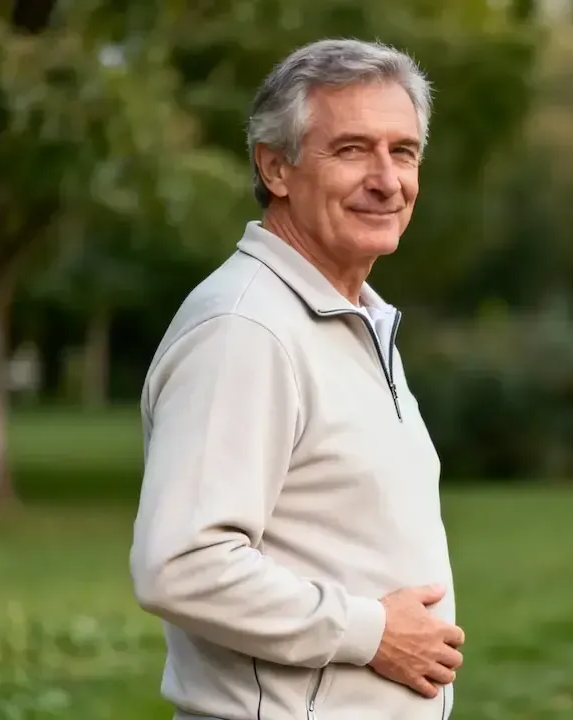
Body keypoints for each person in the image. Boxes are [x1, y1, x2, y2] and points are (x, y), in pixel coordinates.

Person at [130, 38, 464, 720]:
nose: (387, 179)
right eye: (352, 150)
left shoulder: (349, 316)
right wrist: (370, 633)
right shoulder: (245, 329)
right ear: (275, 167)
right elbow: (182, 564)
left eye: (403, 151)